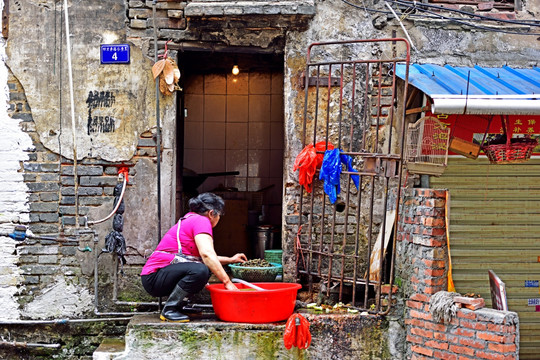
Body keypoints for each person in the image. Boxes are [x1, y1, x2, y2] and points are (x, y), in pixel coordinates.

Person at [141, 192, 247, 322]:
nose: (219, 218)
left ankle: (179, 306)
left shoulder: (192, 219)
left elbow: (206, 257)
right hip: (154, 277)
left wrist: (231, 260)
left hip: (156, 277)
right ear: (211, 213)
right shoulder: (201, 221)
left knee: (204, 268)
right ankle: (170, 309)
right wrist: (227, 282)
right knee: (200, 270)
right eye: (219, 214)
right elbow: (207, 255)